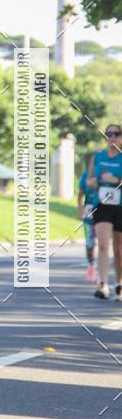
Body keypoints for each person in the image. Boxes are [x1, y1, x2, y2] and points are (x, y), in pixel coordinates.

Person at [86, 123, 122, 300]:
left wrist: (116, 180)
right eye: (109, 134)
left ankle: (119, 284)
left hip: (120, 206)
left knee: (119, 249)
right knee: (102, 244)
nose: (112, 137)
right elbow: (90, 179)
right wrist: (92, 183)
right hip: (102, 205)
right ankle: (102, 285)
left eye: (116, 134)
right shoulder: (98, 157)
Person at [77, 156, 98, 282]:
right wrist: (80, 210)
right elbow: (80, 195)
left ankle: (101, 272)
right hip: (89, 213)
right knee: (90, 244)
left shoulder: (106, 174)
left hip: (104, 213)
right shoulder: (85, 175)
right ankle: (91, 264)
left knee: (103, 243)